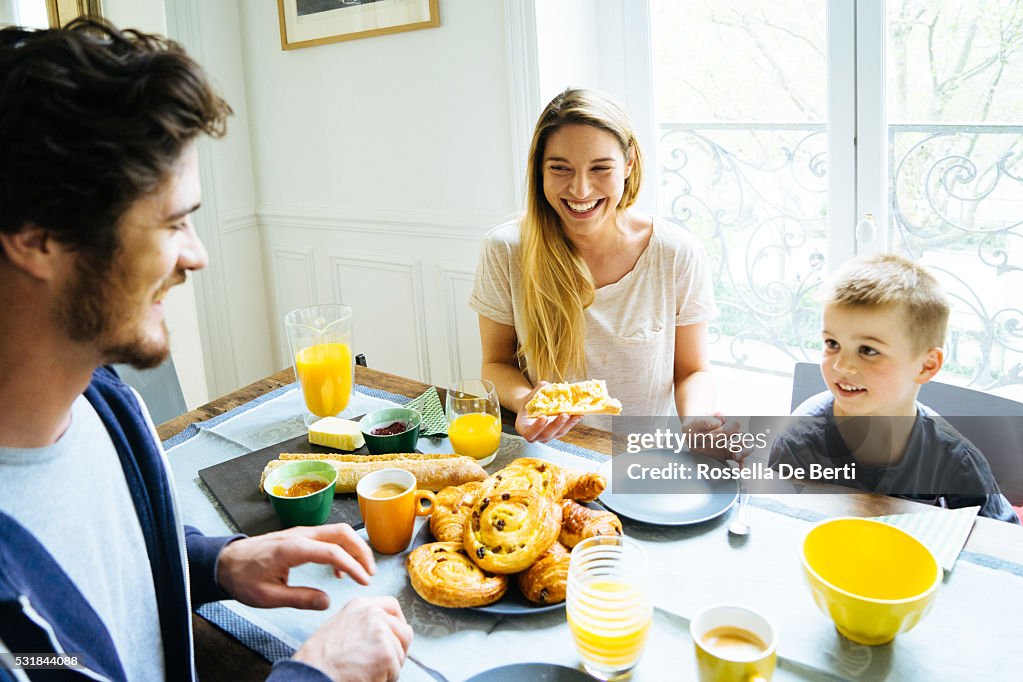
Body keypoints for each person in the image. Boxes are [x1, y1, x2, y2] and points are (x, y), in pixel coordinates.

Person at [0, 19, 412, 681]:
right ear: (37, 236)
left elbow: (103, 585)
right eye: (173, 222)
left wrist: (215, 563)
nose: (199, 254)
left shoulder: (105, 402)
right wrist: (318, 674)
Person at [470, 87, 723, 443]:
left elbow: (692, 370)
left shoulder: (676, 252)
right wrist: (527, 399)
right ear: (539, 168)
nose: (581, 190)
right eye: (560, 168)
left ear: (629, 162)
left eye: (600, 168)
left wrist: (698, 424)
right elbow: (496, 363)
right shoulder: (505, 249)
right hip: (547, 454)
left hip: (640, 458)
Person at [768, 254, 1019, 523]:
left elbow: (1002, 539)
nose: (842, 366)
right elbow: (778, 524)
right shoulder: (797, 444)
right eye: (832, 343)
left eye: (868, 350)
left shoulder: (954, 459)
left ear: (926, 366)